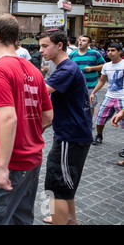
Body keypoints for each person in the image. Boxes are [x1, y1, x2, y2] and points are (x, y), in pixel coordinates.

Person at [0, 14, 53, 225]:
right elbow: (47, 115)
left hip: (10, 162)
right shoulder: (34, 70)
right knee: (20, 218)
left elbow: (8, 118)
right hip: (32, 159)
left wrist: (2, 167)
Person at [39, 30, 92, 226]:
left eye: (45, 46)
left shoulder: (65, 70)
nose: (41, 50)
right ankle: (69, 219)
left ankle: (59, 219)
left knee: (56, 187)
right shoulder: (66, 68)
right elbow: (67, 105)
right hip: (74, 134)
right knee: (66, 183)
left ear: (59, 45)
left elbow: (41, 92)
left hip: (70, 137)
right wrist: (48, 123)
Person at [90, 43, 124, 146]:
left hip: (122, 97)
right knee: (100, 117)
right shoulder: (106, 66)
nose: (110, 53)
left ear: (120, 52)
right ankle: (99, 136)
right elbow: (102, 80)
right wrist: (93, 92)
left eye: (113, 50)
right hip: (109, 96)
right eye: (108, 50)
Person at [69, 34, 105, 118]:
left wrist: (92, 68)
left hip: (91, 86)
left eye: (84, 40)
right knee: (76, 105)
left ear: (89, 44)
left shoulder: (95, 54)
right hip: (76, 86)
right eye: (80, 40)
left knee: (90, 105)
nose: (81, 42)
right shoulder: (72, 55)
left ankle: (89, 122)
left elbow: (104, 65)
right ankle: (79, 121)